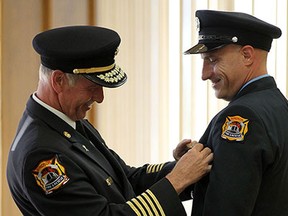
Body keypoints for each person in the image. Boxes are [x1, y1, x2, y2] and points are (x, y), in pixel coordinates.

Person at [6, 25, 213, 216]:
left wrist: (183, 167)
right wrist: (177, 180)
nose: (100, 98)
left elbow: (124, 179)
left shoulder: (66, 122)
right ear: (59, 81)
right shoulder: (41, 155)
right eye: (92, 87)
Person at [184, 10, 288, 216]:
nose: (204, 74)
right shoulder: (278, 105)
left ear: (247, 55)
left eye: (212, 60)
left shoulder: (241, 117)